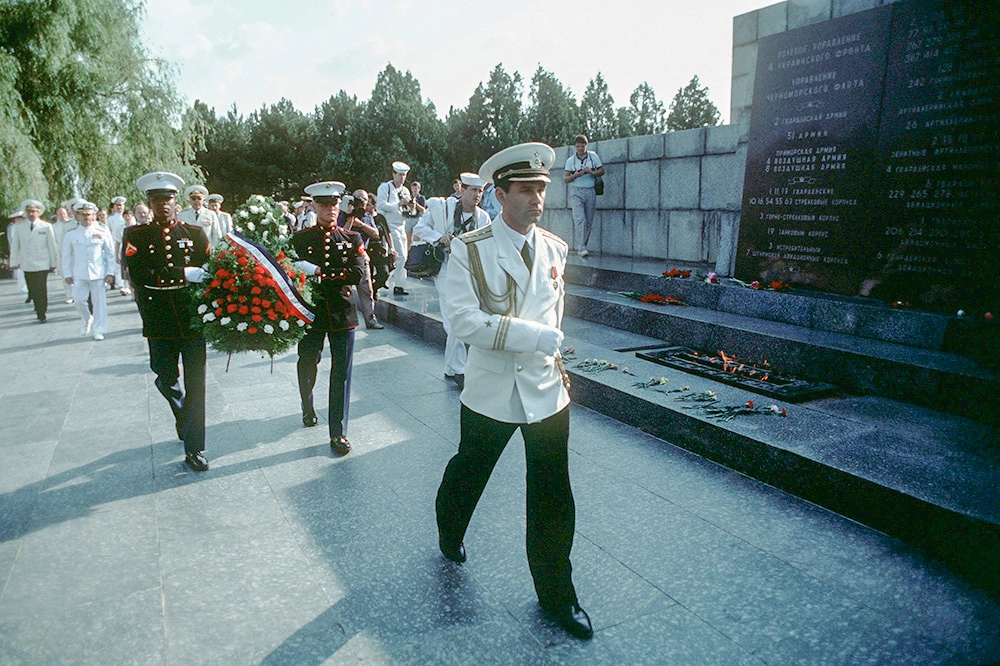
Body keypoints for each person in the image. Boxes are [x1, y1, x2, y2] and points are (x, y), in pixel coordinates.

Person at [434, 142, 592, 640]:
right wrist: (533, 337)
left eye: (542, 189)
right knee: (470, 470)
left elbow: (553, 311)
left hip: (546, 389)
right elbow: (462, 321)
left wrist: (547, 345)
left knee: (552, 493)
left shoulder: (555, 249)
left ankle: (557, 594)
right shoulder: (470, 248)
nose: (537, 199)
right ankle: (450, 527)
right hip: (491, 390)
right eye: (526, 190)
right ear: (500, 194)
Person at [122, 172, 211, 472]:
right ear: (149, 202)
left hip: (191, 316)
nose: (162, 205)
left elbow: (210, 270)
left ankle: (195, 447)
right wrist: (183, 273)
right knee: (164, 376)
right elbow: (139, 274)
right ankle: (183, 415)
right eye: (156, 200)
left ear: (176, 201)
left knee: (196, 382)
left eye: (167, 200)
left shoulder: (195, 233)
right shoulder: (136, 236)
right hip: (158, 315)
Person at [292, 180, 366, 456]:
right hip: (311, 310)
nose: (330, 210)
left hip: (342, 312)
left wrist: (319, 272)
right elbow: (290, 270)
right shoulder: (301, 239)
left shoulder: (352, 239)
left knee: (341, 373)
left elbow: (357, 274)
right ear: (314, 206)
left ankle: (338, 432)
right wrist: (336, 272)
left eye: (334, 204)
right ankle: (307, 404)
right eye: (325, 205)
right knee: (308, 361)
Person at [413, 172, 491, 389]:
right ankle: (459, 369)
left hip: (469, 272)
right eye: (473, 190)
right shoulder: (443, 208)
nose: (478, 195)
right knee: (454, 318)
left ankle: (450, 367)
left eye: (481, 191)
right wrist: (440, 238)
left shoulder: (483, 217)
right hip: (446, 269)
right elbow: (420, 228)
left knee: (457, 318)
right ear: (462, 190)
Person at [62, 200, 115, 340]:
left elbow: (110, 254)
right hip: (79, 273)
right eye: (83, 215)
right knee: (78, 300)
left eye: (90, 215)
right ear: (78, 216)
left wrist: (110, 272)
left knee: (99, 303)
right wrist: (67, 274)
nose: (87, 218)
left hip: (98, 272)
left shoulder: (102, 231)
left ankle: (98, 330)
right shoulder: (71, 234)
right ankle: (87, 319)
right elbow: (66, 256)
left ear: (94, 215)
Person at [340, 189, 383, 330]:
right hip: (344, 256)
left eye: (364, 200)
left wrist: (361, 225)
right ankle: (344, 320)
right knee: (344, 289)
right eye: (359, 200)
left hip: (361, 255)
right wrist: (350, 220)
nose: (362, 203)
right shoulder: (343, 215)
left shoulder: (367, 217)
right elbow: (339, 234)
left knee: (366, 289)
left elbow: (376, 233)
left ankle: (370, 319)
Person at [9, 199, 57, 323]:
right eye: (29, 211)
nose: (31, 214)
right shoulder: (20, 227)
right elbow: (15, 246)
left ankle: (42, 313)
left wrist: (53, 263)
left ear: (39, 212)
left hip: (42, 262)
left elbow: (52, 246)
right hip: (27, 263)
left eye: (33, 211)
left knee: (41, 287)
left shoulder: (46, 226)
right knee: (32, 288)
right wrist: (13, 262)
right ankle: (37, 305)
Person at [563, 134, 604, 258]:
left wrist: (591, 172)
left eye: (582, 146)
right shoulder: (571, 160)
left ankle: (583, 245)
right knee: (580, 219)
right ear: (574, 147)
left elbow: (602, 171)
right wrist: (575, 175)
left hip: (590, 190)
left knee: (589, 220)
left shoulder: (593, 156)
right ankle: (581, 247)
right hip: (576, 191)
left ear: (587, 145)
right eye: (578, 146)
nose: (580, 149)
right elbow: (565, 178)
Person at [376, 161, 412, 296]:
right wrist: (398, 204)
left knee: (404, 256)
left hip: (401, 224)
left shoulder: (405, 190)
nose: (402, 178)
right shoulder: (385, 187)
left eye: (404, 175)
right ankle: (385, 280)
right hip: (389, 225)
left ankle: (399, 285)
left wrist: (409, 207)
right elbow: (381, 205)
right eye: (400, 175)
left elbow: (405, 210)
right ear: (393, 174)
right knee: (399, 255)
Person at [366, 192, 396, 294]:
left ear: (374, 205)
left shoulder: (380, 218)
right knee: (367, 275)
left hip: (379, 249)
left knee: (384, 273)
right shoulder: (363, 218)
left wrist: (392, 248)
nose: (366, 207)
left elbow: (387, 233)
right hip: (366, 249)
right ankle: (370, 293)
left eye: (369, 205)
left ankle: (374, 288)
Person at [106, 195, 131, 295]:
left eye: (121, 205)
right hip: (115, 242)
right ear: (114, 207)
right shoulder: (111, 219)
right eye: (117, 205)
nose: (119, 207)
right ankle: (122, 286)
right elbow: (109, 232)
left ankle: (127, 285)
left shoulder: (129, 217)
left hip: (127, 243)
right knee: (118, 265)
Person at [405, 180, 427, 247]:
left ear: (419, 189)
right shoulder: (408, 197)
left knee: (417, 238)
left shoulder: (421, 198)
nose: (414, 190)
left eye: (416, 188)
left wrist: (416, 204)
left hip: (417, 219)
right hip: (409, 219)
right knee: (408, 239)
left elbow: (423, 210)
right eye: (413, 188)